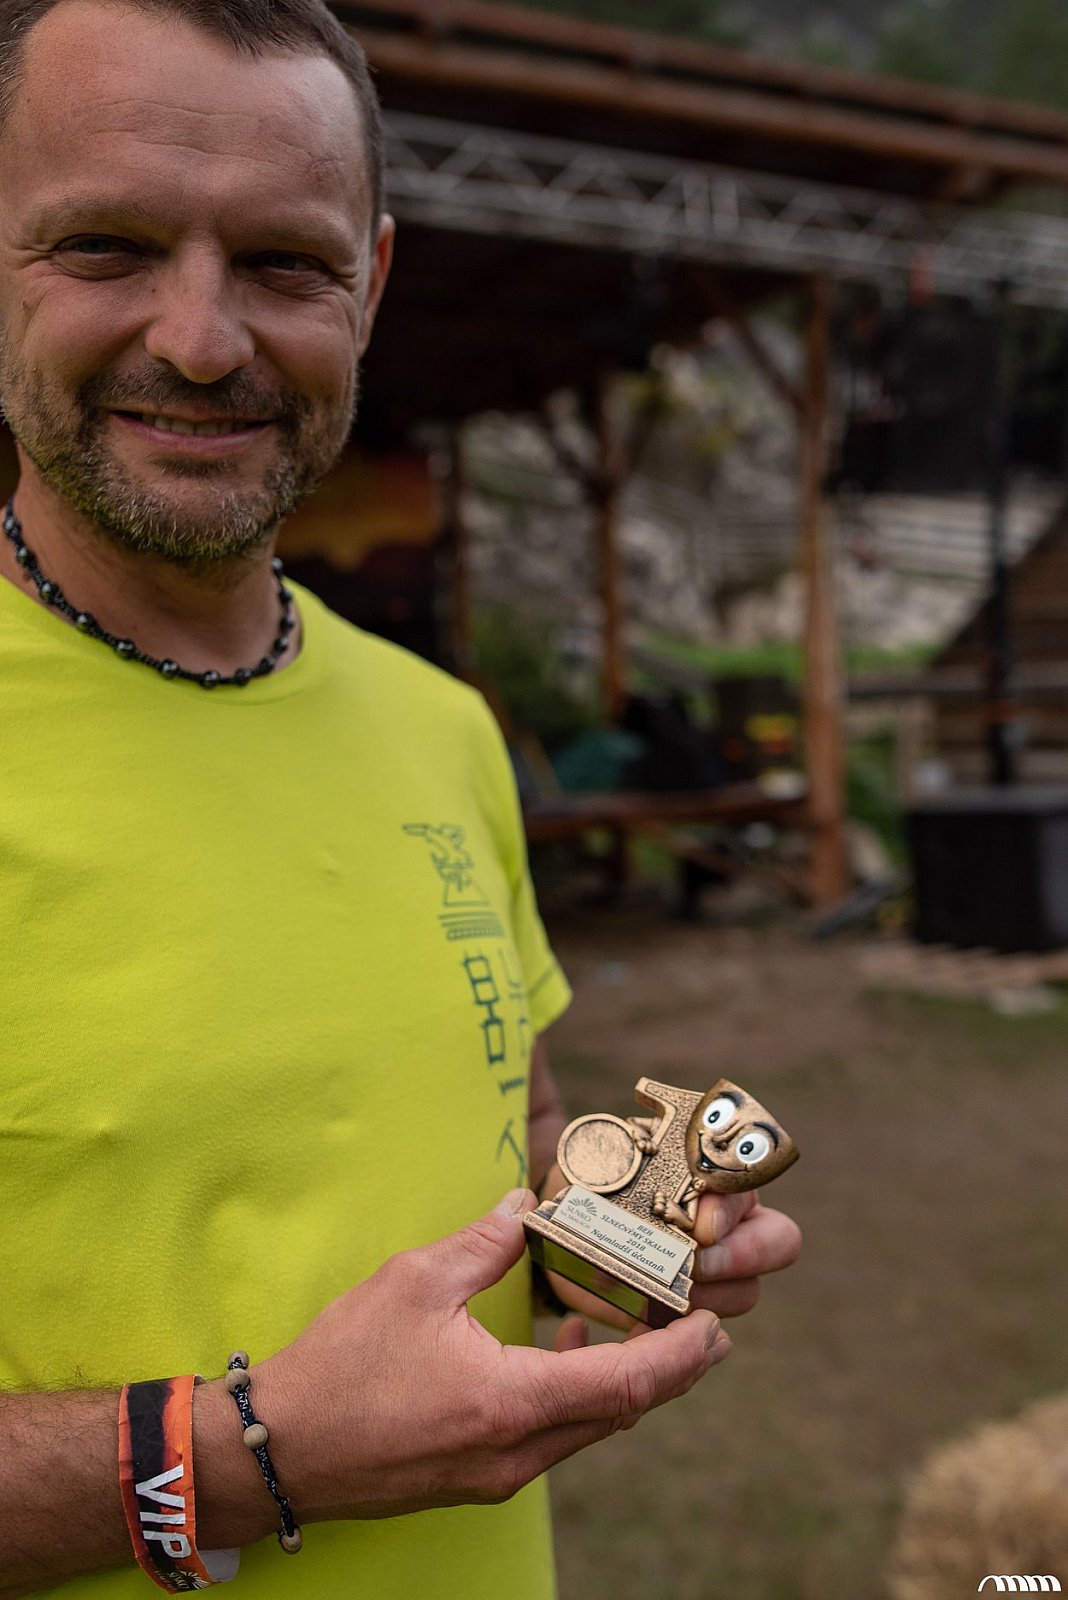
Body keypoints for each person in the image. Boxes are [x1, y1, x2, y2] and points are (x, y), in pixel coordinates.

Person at [0, 2, 802, 1596]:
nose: (202, 340)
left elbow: (507, 1136)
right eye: (105, 247)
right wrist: (250, 1460)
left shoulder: (442, 726)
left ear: (368, 286)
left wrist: (620, 1237)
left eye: (284, 264)